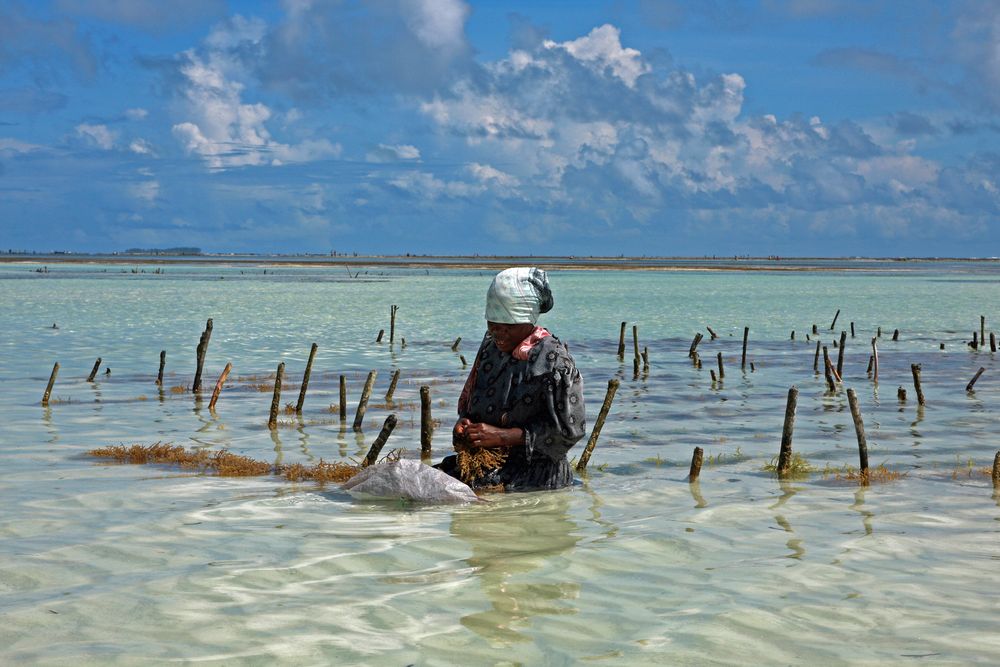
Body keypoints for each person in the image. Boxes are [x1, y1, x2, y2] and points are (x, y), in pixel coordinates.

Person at [436, 267, 586, 491]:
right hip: (483, 464)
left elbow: (568, 432)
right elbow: (475, 396)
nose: (498, 332)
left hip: (535, 474)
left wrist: (502, 436)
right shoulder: (490, 345)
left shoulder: (554, 361)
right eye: (492, 324)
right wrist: (465, 423)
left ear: (527, 321)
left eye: (508, 326)